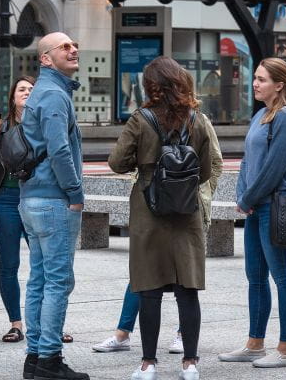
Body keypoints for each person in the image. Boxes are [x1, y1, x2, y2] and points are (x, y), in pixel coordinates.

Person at [93, 70, 223, 358]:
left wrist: (144, 164)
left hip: (148, 209)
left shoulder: (141, 119)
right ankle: (190, 363)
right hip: (186, 210)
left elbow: (117, 162)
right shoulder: (197, 119)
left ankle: (148, 364)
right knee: (187, 288)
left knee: (148, 287)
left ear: (151, 86)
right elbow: (205, 169)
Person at [218, 57, 286, 369]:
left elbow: (275, 167)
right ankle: (255, 343)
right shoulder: (260, 115)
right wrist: (243, 195)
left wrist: (249, 198)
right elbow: (247, 162)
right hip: (256, 206)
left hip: (278, 207)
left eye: (263, 79)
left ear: (280, 84)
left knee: (284, 277)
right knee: (255, 277)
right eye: (255, 78)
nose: (255, 84)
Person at [19, 32, 89, 380]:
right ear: (45, 58)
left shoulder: (42, 93)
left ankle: (34, 358)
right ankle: (49, 359)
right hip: (53, 201)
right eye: (64, 46)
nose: (73, 48)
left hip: (32, 199)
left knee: (39, 280)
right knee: (58, 282)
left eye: (74, 44)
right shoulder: (53, 95)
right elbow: (60, 151)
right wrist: (76, 193)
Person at [0, 75, 36, 343]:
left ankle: (49, 324)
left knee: (45, 266)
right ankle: (16, 324)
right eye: (21, 89)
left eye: (31, 89)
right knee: (9, 265)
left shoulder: (45, 125)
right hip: (5, 202)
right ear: (12, 96)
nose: (26, 92)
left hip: (37, 200)